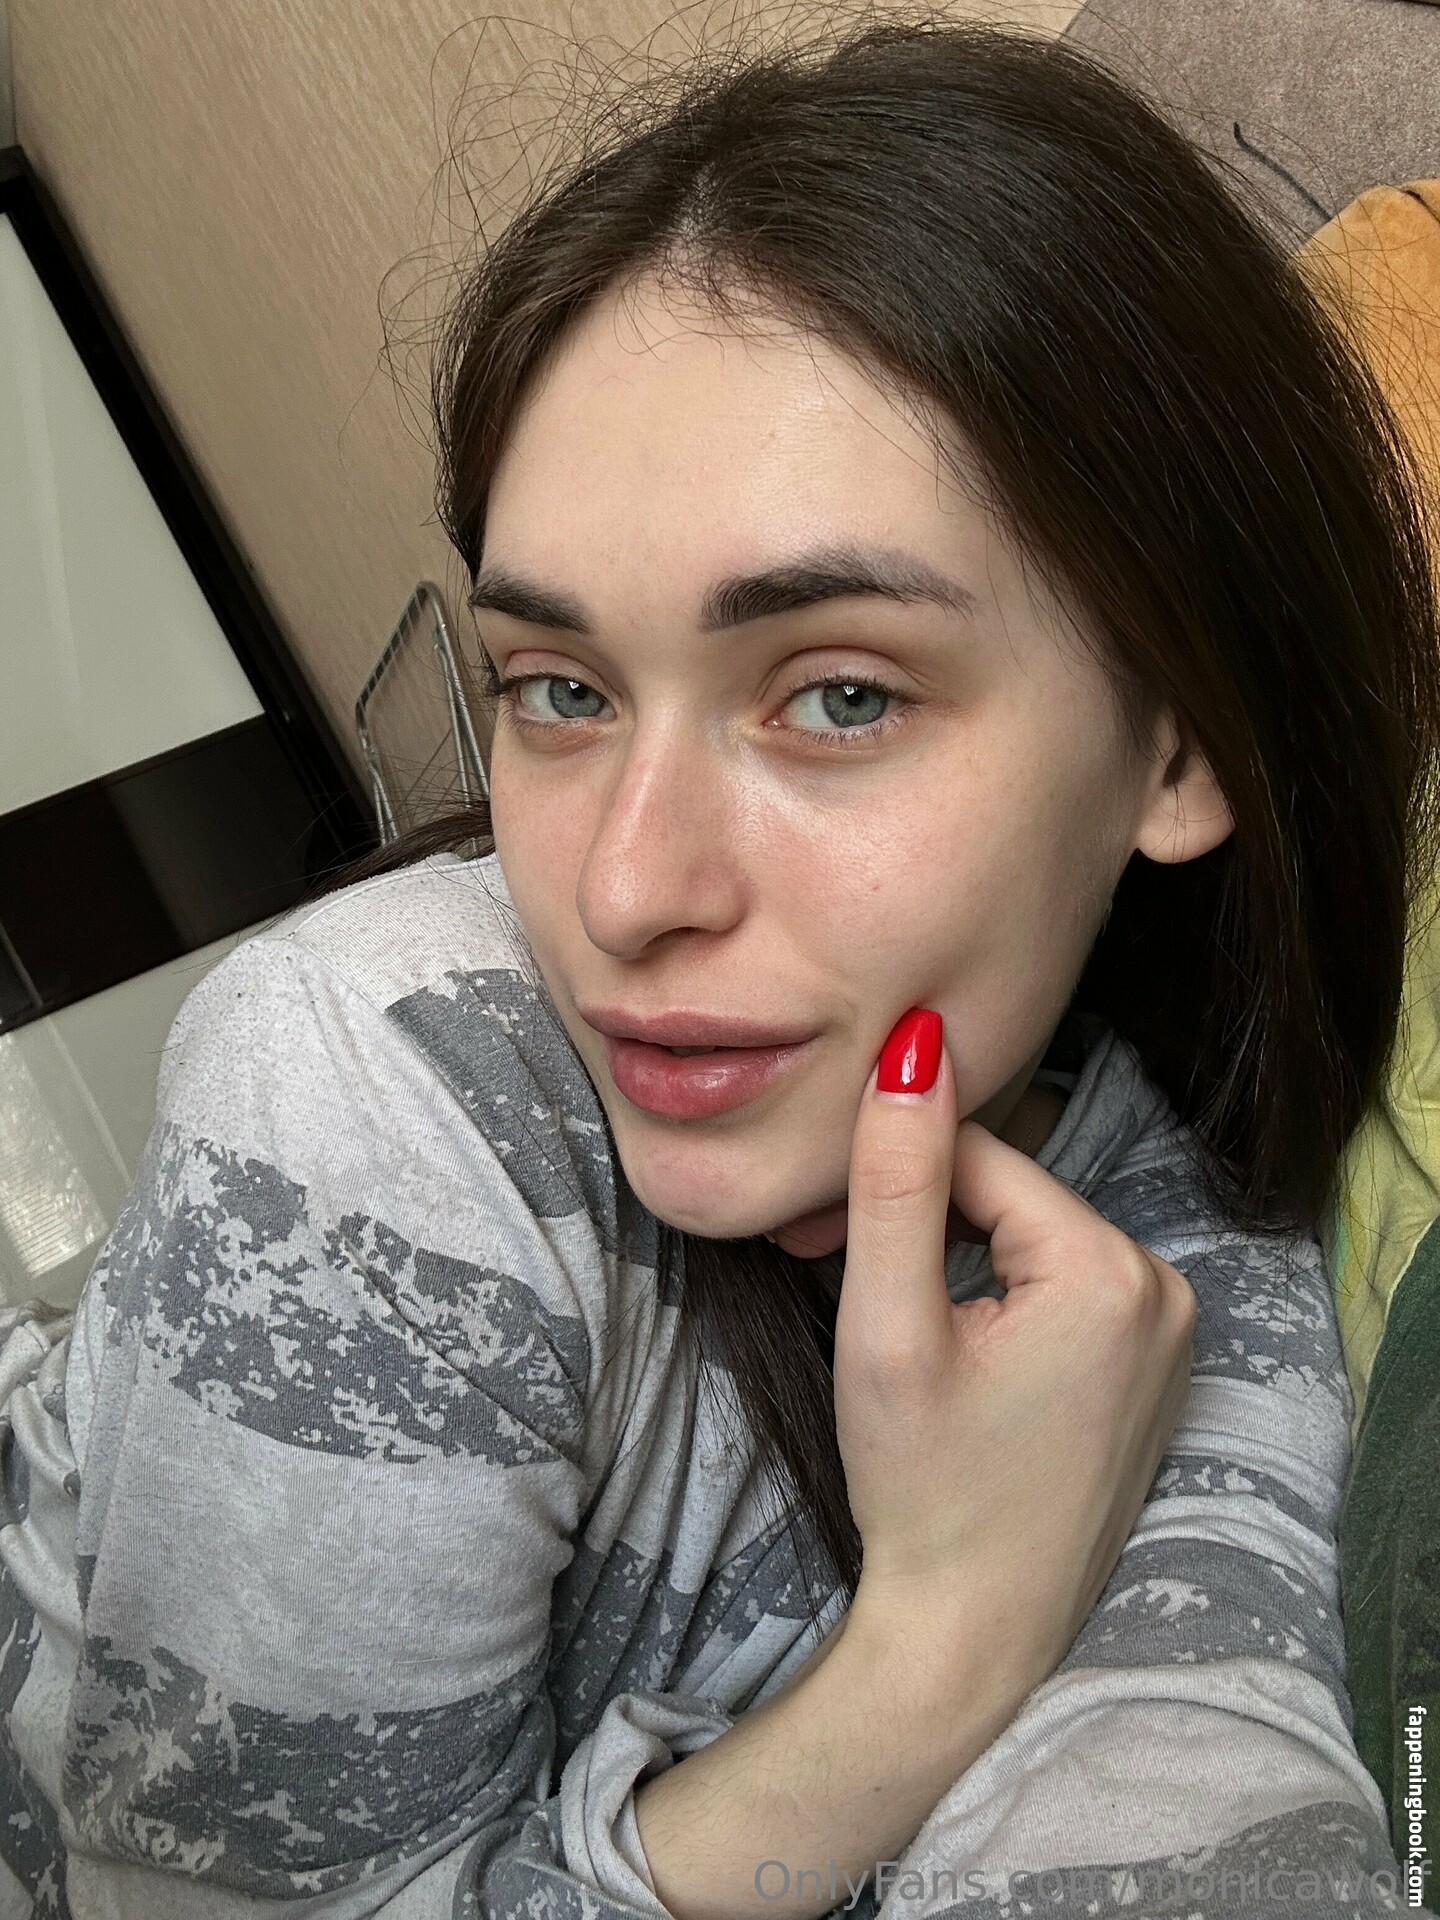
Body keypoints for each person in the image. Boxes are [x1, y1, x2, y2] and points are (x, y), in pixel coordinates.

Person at [2, 12, 1438, 1917]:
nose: (621, 891)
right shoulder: (375, 1076)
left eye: (838, 695)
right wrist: (938, 1645)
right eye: (560, 689)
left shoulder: (1169, 1286)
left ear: (1178, 743)